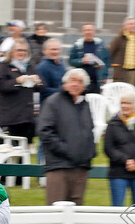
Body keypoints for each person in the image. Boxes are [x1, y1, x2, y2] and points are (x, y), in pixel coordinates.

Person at [37, 68, 96, 205]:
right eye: (72, 80)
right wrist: (67, 150)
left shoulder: (85, 105)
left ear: (84, 86)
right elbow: (44, 131)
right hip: (59, 167)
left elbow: (89, 131)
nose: (75, 84)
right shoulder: (53, 102)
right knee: (56, 211)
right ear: (65, 83)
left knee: (77, 213)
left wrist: (89, 153)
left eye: (80, 81)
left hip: (81, 167)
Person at [104, 90, 135, 206]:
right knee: (117, 208)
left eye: (128, 103)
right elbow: (108, 148)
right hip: (118, 172)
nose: (125, 106)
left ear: (134, 105)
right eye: (123, 103)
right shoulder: (113, 123)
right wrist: (126, 161)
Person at [0, 39, 40, 142]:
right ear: (12, 52)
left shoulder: (31, 67)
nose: (22, 53)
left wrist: (38, 82)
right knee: (9, 148)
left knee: (24, 150)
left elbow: (42, 87)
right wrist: (16, 81)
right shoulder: (3, 66)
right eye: (19, 50)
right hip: (10, 117)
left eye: (24, 50)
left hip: (27, 116)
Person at [68, 23, 110, 95]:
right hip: (81, 81)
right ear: (82, 32)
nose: (88, 32)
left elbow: (106, 61)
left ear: (94, 32)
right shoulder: (78, 45)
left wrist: (105, 76)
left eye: (90, 30)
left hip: (96, 80)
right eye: (86, 30)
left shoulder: (100, 45)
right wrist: (81, 61)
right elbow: (71, 61)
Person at [109, 17, 135, 91]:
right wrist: (115, 65)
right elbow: (110, 52)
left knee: (131, 92)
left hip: (133, 71)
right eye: (129, 24)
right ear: (125, 26)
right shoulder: (119, 38)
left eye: (133, 24)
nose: (132, 26)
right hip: (121, 71)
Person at [36, 38, 66, 105]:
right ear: (44, 51)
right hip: (49, 105)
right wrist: (63, 91)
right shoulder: (42, 67)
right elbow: (44, 90)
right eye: (52, 49)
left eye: (57, 49)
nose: (55, 52)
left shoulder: (62, 64)